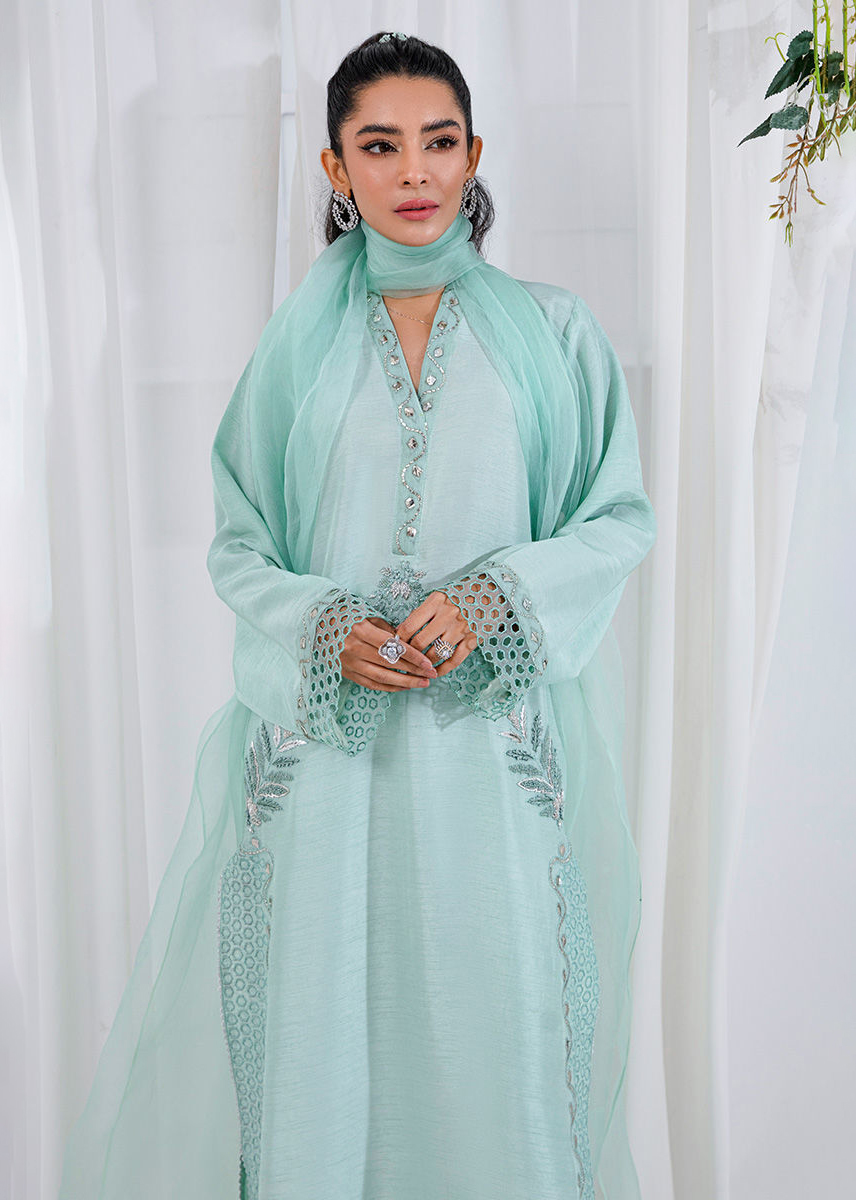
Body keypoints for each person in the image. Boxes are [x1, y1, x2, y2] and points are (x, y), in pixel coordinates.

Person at [59, 30, 656, 1200]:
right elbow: (240, 545)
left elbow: (617, 517)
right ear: (336, 168)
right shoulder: (298, 353)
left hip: (490, 764)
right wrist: (325, 624)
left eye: (438, 141)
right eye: (379, 147)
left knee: (501, 1037)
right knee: (323, 1042)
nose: (414, 171)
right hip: (327, 766)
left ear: (474, 153)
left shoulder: (555, 334)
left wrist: (497, 599)